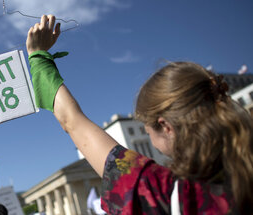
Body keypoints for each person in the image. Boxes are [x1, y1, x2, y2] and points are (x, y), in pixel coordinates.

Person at [26, 15, 253, 214]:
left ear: (166, 127)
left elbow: (72, 121)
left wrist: (38, 55)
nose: (146, 133)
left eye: (146, 126)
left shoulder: (159, 192)